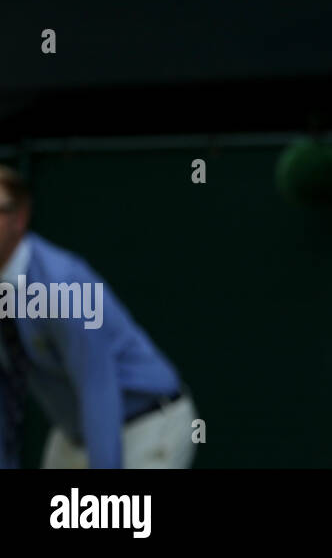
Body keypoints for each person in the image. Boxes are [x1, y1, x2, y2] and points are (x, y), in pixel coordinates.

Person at [0, 166, 197, 469]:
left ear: (20, 218)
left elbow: (97, 386)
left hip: (144, 426)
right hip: (73, 432)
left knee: (114, 518)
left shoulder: (63, 285)